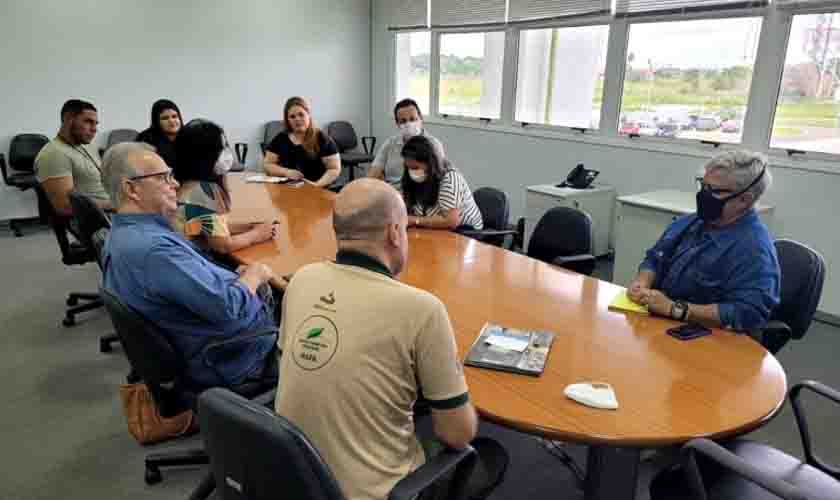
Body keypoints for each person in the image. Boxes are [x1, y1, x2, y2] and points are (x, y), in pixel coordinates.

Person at [275, 178, 505, 500]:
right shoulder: (422, 309)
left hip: (293, 477)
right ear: (395, 232)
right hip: (380, 493)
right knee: (490, 453)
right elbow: (457, 433)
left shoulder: (301, 279)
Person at [101, 142, 278, 388]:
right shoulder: (156, 252)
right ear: (132, 189)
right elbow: (228, 308)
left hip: (194, 336)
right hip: (232, 355)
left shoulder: (124, 233)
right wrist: (254, 275)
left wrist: (234, 278)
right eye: (163, 177)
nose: (174, 184)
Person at [627, 150, 780, 334]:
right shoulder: (691, 222)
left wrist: (675, 309)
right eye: (703, 185)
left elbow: (748, 313)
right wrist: (642, 282)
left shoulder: (754, 249)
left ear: (744, 200)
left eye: (713, 190)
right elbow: (655, 258)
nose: (703, 195)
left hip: (707, 337)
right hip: (661, 324)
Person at [174, 119, 275, 255]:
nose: (227, 153)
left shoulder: (188, 185)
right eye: (220, 148)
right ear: (202, 156)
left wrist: (249, 227)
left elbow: (209, 228)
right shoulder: (202, 193)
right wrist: (257, 234)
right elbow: (223, 245)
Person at [35, 99, 111, 214]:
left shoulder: (86, 146)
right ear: (68, 120)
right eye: (88, 122)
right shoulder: (54, 154)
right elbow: (65, 206)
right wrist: (116, 205)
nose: (94, 129)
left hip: (116, 210)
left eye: (95, 124)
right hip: (101, 219)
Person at [401, 135, 483, 230]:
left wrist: (415, 220)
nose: (412, 172)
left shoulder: (449, 178)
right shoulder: (414, 177)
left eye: (415, 168)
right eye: (408, 167)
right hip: (433, 229)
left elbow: (451, 221)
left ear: (430, 163)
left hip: (466, 232)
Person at [262, 96, 341, 187]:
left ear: (308, 115)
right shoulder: (281, 138)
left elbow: (334, 169)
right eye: (292, 116)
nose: (297, 119)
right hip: (288, 189)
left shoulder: (322, 138)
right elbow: (268, 164)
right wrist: (286, 172)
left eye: (301, 114)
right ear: (288, 120)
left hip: (317, 189)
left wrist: (316, 185)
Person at [369, 98, 445, 188]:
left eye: (413, 119)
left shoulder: (434, 145)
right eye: (403, 121)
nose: (409, 124)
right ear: (397, 124)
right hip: (390, 192)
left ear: (421, 119)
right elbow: (373, 173)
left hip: (419, 193)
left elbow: (439, 178)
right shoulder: (390, 144)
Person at [136, 99, 183, 169]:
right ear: (157, 121)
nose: (171, 121)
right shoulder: (146, 139)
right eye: (165, 118)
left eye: (174, 116)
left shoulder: (190, 136)